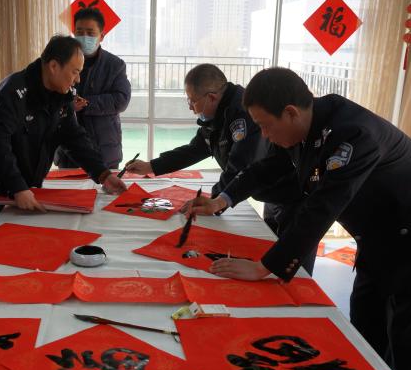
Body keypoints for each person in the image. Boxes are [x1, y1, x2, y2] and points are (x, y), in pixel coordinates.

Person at [189, 67, 411, 370]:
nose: (265, 135)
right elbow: (266, 168)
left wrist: (265, 266)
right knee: (367, 314)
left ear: (290, 112)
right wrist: (223, 199)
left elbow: (322, 207)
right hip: (380, 231)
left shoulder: (353, 134)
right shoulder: (305, 127)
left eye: (265, 125)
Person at [125, 63, 314, 272]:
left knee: (293, 270)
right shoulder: (218, 115)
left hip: (295, 198)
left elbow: (240, 163)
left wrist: (216, 201)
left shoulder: (242, 114)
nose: (190, 107)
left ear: (212, 97)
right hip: (272, 193)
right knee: (270, 253)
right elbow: (198, 150)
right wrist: (152, 166)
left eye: (192, 100)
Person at [0, 35, 126, 211]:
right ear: (54, 66)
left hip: (30, 189)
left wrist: (103, 174)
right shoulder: (13, 92)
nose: (78, 80)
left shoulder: (62, 95)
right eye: (75, 72)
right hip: (3, 193)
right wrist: (17, 187)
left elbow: (74, 138)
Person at [54, 7, 131, 169]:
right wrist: (68, 105)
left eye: (90, 33)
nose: (84, 37)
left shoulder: (114, 65)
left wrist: (86, 103)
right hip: (68, 152)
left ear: (101, 36)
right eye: (79, 32)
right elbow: (49, 93)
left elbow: (121, 100)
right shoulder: (61, 61)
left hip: (105, 151)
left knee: (107, 184)